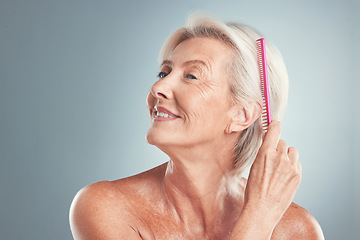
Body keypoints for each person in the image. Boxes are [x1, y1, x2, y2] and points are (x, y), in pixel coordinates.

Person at [69, 13, 324, 239]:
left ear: (242, 114)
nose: (158, 88)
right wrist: (258, 217)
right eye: (164, 72)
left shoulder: (296, 231)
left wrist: (262, 212)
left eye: (191, 76)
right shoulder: (106, 208)